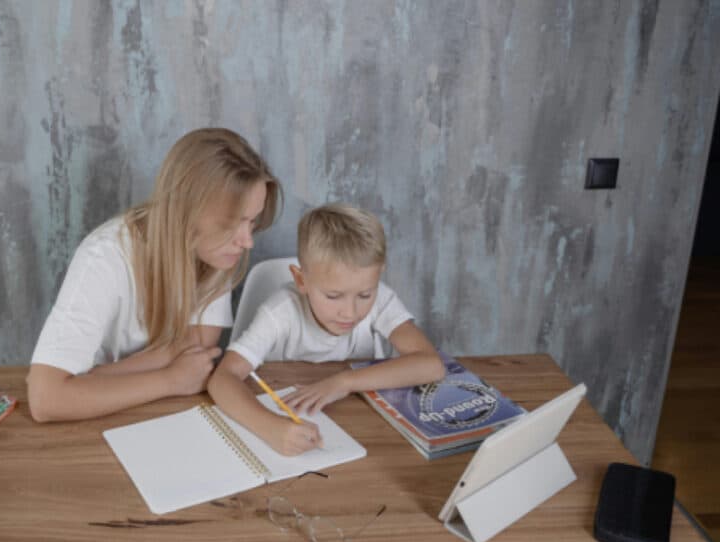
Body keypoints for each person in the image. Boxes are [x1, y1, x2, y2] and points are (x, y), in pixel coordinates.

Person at [27, 128, 282, 422]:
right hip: (92, 419)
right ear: (185, 212)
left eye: (251, 221)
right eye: (231, 224)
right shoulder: (104, 258)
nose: (247, 240)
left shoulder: (215, 251)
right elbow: (46, 399)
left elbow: (196, 349)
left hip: (144, 409)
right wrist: (170, 379)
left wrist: (94, 378)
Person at [207, 203, 445, 455]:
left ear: (378, 276)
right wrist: (271, 428)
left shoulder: (383, 300)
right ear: (301, 280)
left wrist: (343, 382)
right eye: (333, 296)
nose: (350, 312)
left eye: (365, 294)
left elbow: (431, 365)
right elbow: (223, 379)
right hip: (290, 419)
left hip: (360, 425)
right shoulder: (280, 312)